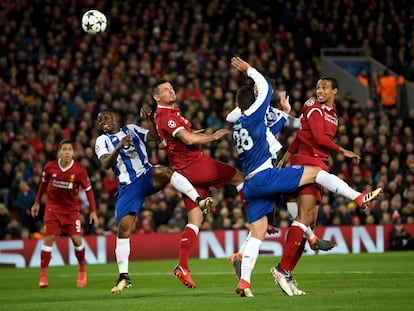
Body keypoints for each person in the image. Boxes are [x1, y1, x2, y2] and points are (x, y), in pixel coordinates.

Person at [228, 56, 382, 298]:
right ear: (254, 102)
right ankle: (356, 197)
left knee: (258, 234)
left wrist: (283, 116)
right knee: (317, 175)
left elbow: (282, 126)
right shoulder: (258, 114)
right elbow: (268, 92)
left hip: (251, 184)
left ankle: (245, 282)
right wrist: (249, 71)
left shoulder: (238, 123)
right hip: (266, 176)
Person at [226, 80, 335, 282]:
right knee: (294, 205)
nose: (260, 92)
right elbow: (232, 116)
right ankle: (311, 237)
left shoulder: (270, 111)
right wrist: (255, 110)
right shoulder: (253, 111)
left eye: (263, 90)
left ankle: (240, 255)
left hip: (270, 163)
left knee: (265, 222)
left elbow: (294, 124)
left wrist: (293, 115)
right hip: (262, 166)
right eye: (256, 90)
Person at [94, 108, 213, 293]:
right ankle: (123, 276)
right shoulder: (102, 141)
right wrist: (118, 147)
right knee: (124, 228)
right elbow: (105, 164)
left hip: (146, 175)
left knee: (164, 171)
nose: (102, 122)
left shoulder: (132, 129)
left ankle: (199, 200)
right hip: (127, 186)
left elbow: (154, 137)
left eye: (105, 117)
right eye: (99, 121)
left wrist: (150, 119)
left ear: (115, 118)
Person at [151, 79, 245, 289]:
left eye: (172, 87)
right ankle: (257, 217)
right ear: (157, 97)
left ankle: (182, 266)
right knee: (240, 177)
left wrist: (197, 133)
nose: (171, 91)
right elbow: (189, 140)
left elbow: (179, 139)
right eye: (166, 90)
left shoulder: (170, 113)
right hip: (197, 166)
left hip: (185, 173)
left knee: (195, 220)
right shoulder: (166, 116)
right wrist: (213, 136)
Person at [274, 77, 363, 296]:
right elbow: (317, 138)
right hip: (307, 166)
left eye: (324, 88)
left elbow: (300, 131)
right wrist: (343, 151)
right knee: (304, 221)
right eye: (317, 87)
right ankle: (281, 269)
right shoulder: (312, 106)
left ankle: (287, 273)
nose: (319, 91)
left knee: (308, 226)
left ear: (335, 91)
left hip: (314, 164)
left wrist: (287, 154)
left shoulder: (333, 115)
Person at [30, 140, 99, 288]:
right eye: (64, 149)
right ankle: (43, 276)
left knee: (76, 240)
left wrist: (93, 211)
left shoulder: (79, 171)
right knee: (49, 239)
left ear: (73, 153)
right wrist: (36, 202)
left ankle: (82, 270)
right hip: (52, 209)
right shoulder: (50, 167)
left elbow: (89, 190)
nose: (67, 152)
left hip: (71, 211)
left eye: (70, 149)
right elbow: (43, 184)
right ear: (59, 152)